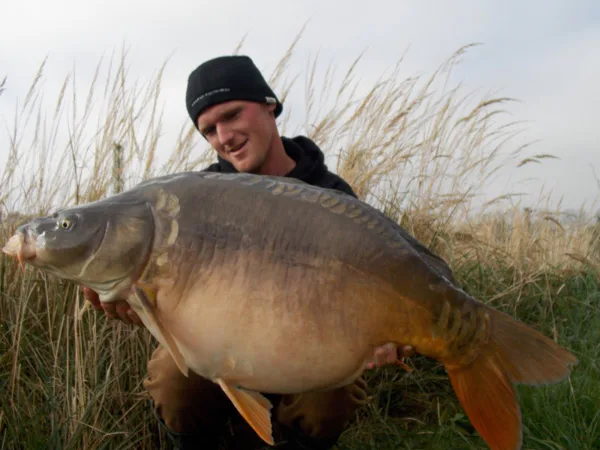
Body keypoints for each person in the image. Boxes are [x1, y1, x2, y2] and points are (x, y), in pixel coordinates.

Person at [84, 55, 456, 449]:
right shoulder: (195, 203)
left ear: (269, 105)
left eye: (232, 115)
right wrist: (142, 309)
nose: (224, 137)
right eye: (209, 130)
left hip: (312, 350)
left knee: (329, 400)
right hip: (221, 347)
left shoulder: (332, 196)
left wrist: (384, 337)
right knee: (171, 382)